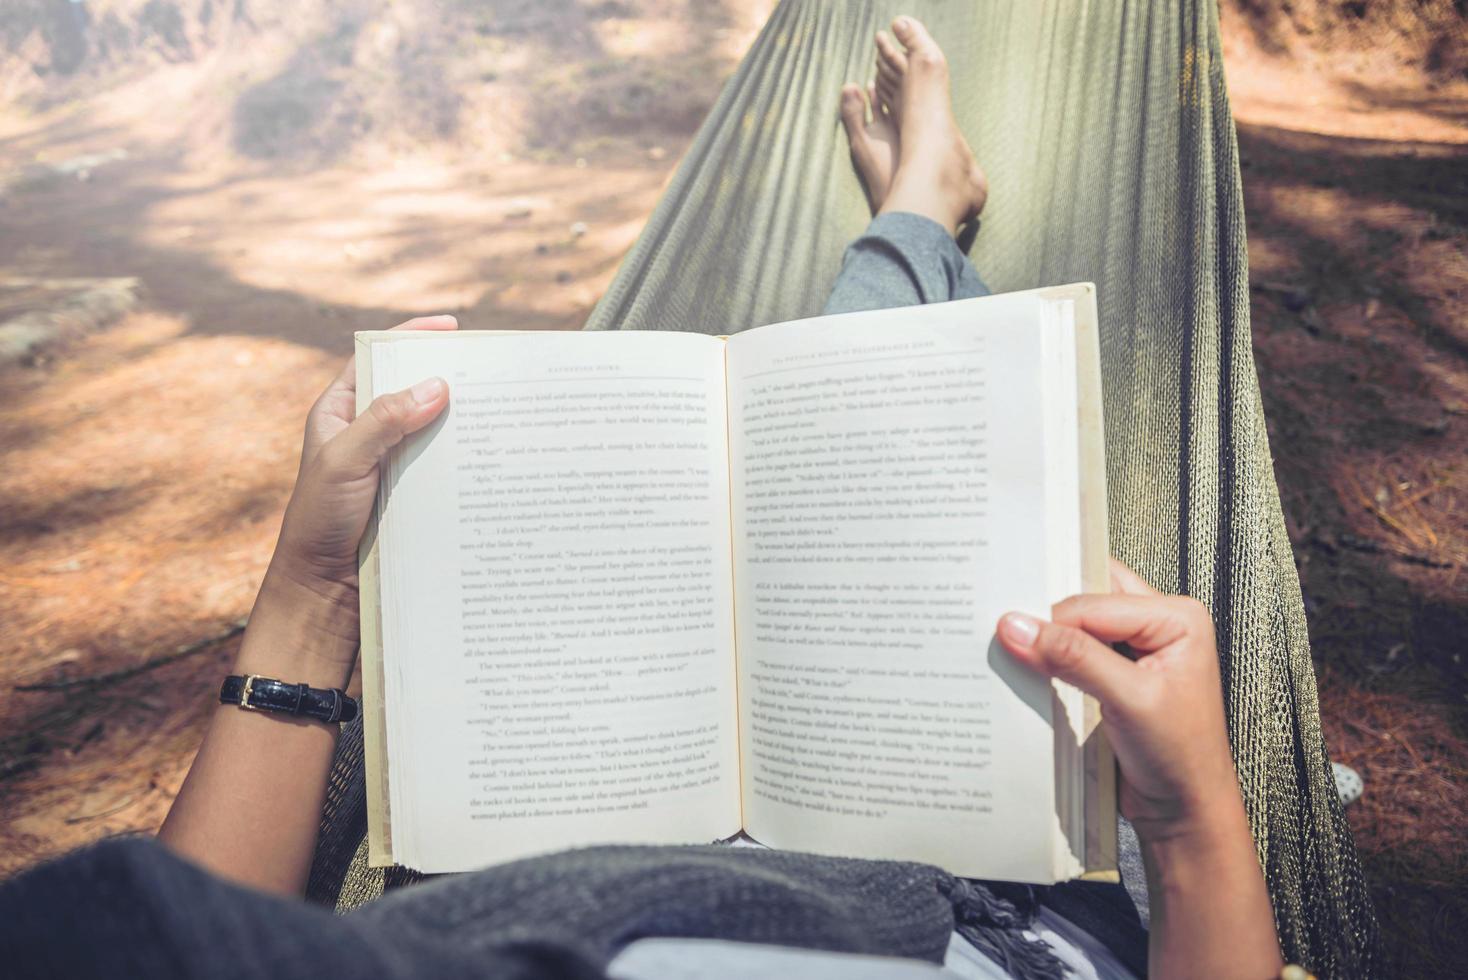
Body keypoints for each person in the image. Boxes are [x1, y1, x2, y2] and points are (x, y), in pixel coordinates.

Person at [0, 17, 1290, 980]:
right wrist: (1188, 823)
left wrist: (312, 599)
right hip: (972, 893)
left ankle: (915, 219)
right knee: (859, 459)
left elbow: (172, 942)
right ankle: (916, 220)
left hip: (537, 823)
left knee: (791, 453)